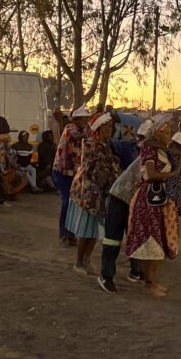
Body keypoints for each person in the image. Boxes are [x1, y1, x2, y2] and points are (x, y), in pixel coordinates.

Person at [124, 116, 181, 298]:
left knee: (159, 242)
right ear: (158, 134)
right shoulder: (149, 150)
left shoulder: (161, 151)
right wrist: (173, 173)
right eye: (166, 132)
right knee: (153, 243)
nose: (169, 135)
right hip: (150, 201)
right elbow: (149, 174)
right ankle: (149, 283)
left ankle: (152, 281)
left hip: (160, 201)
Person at [97, 120, 150, 292]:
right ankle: (106, 276)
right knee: (113, 239)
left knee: (134, 235)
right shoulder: (147, 155)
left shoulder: (150, 154)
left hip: (130, 199)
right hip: (120, 197)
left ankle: (136, 271)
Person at [67, 113, 119, 275]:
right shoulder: (92, 144)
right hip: (89, 192)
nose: (110, 130)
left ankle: (86, 260)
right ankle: (79, 262)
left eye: (111, 127)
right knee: (86, 230)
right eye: (107, 127)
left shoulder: (104, 144)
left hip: (98, 191)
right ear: (99, 128)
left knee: (94, 231)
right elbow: (96, 170)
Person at [54, 106, 90, 244]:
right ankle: (65, 233)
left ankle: (70, 233)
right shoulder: (70, 128)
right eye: (83, 118)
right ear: (76, 119)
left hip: (73, 173)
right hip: (62, 171)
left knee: (73, 203)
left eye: (86, 118)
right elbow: (76, 137)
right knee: (66, 202)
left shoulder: (83, 131)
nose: (85, 121)